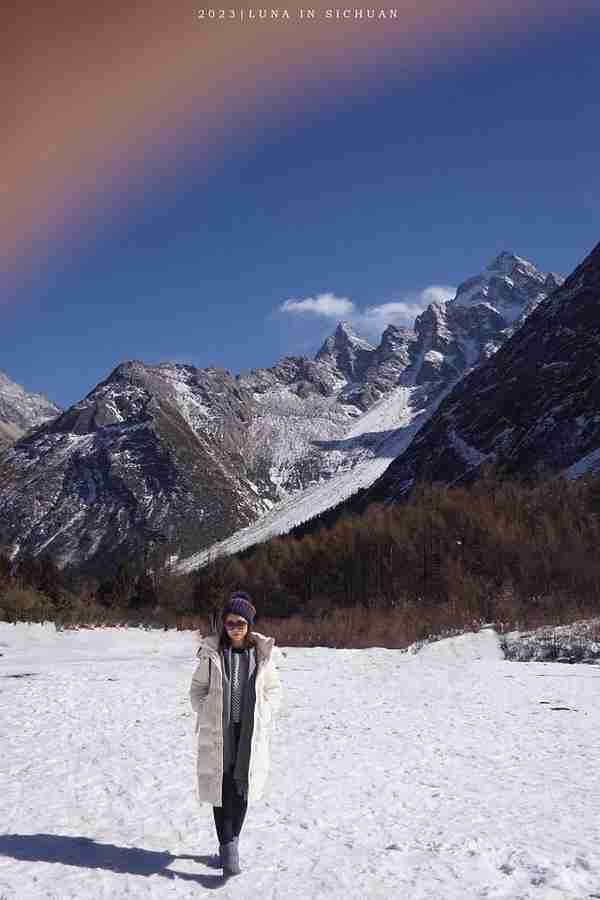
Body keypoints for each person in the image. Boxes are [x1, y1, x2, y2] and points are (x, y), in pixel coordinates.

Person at [190, 590, 282, 876]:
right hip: (220, 732)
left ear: (249, 626)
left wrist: (264, 711)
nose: (235, 629)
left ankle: (231, 843)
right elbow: (196, 691)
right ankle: (228, 847)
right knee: (221, 789)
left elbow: (274, 691)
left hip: (249, 733)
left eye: (240, 624)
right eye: (230, 623)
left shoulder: (261, 655)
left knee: (242, 787)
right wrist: (207, 709)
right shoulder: (212, 654)